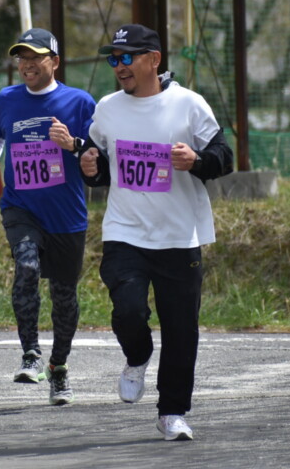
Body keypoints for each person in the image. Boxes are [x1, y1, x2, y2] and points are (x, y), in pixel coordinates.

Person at [79, 24, 233, 441]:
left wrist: (197, 159)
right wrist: (90, 167)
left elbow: (224, 156)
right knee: (128, 310)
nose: (119, 67)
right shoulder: (108, 108)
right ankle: (137, 355)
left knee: (182, 329)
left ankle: (173, 412)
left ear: (154, 60)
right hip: (125, 231)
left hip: (179, 235)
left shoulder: (188, 104)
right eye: (113, 59)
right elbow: (98, 162)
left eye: (127, 58)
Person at [0, 27, 96, 406]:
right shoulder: (7, 99)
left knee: (64, 296)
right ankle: (30, 353)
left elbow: (96, 153)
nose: (26, 65)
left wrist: (72, 145)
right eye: (21, 58)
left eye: (35, 57)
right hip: (20, 206)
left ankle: (58, 369)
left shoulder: (79, 103)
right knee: (25, 265)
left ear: (54, 62)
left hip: (66, 215)